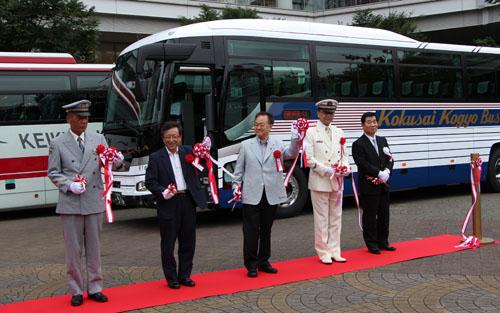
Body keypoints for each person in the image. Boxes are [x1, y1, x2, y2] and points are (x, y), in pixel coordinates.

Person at [48, 100, 122, 306]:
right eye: (79, 118)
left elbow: (109, 163)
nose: (84, 122)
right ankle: (76, 290)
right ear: (68, 119)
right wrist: (69, 185)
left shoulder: (98, 139)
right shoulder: (58, 142)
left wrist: (117, 159)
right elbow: (53, 172)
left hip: (92, 200)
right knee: (73, 250)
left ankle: (96, 287)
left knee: (94, 248)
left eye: (86, 118)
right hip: (71, 203)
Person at [232, 112, 299, 278]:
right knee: (250, 231)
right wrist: (236, 186)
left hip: (271, 193)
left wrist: (296, 139)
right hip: (252, 194)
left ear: (270, 126)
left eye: (262, 124)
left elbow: (290, 153)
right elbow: (238, 171)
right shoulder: (246, 145)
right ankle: (251, 264)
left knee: (266, 230)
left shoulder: (277, 143)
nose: (258, 127)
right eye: (256, 124)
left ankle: (264, 261)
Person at [145, 121, 207, 289]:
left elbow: (203, 169)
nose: (171, 140)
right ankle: (171, 277)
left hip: (187, 200)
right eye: (168, 137)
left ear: (180, 137)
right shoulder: (156, 157)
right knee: (168, 243)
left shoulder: (188, 152)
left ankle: (185, 275)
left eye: (175, 136)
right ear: (163, 138)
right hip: (169, 202)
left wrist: (204, 153)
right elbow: (150, 182)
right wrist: (163, 191)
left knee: (188, 241)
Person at [305, 99, 350, 265]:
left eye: (331, 113)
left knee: (336, 217)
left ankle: (335, 250)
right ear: (318, 113)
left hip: (337, 182)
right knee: (322, 219)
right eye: (325, 112)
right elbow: (309, 159)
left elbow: (344, 155)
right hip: (320, 180)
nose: (328, 115)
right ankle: (323, 251)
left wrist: (344, 167)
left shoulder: (339, 131)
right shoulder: (311, 132)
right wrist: (327, 170)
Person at [352, 112, 396, 254]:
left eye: (375, 121)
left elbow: (390, 158)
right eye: (369, 122)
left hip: (383, 185)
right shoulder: (358, 144)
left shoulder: (383, 140)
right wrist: (378, 173)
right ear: (363, 125)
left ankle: (383, 242)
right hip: (368, 186)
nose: (373, 124)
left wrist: (387, 172)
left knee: (384, 215)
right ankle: (372, 244)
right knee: (370, 216)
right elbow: (362, 164)